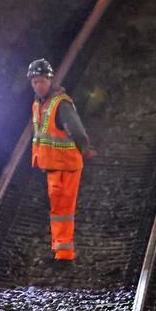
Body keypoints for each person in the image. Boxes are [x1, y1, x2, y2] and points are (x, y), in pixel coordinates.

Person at [28, 58, 97, 263]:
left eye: (42, 81)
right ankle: (60, 250)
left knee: (63, 209)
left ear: (50, 80)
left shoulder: (61, 104)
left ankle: (64, 254)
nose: (39, 85)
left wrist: (85, 150)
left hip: (66, 166)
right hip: (53, 166)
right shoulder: (38, 105)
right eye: (35, 82)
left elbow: (78, 132)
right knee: (59, 209)